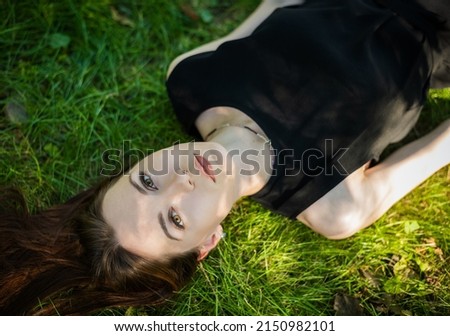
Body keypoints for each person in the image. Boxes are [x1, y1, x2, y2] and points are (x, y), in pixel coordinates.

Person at [1, 0, 449, 315]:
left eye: (147, 182)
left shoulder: (190, 79)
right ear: (206, 244)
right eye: (174, 220)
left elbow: (276, 4)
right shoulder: (334, 206)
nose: (180, 181)